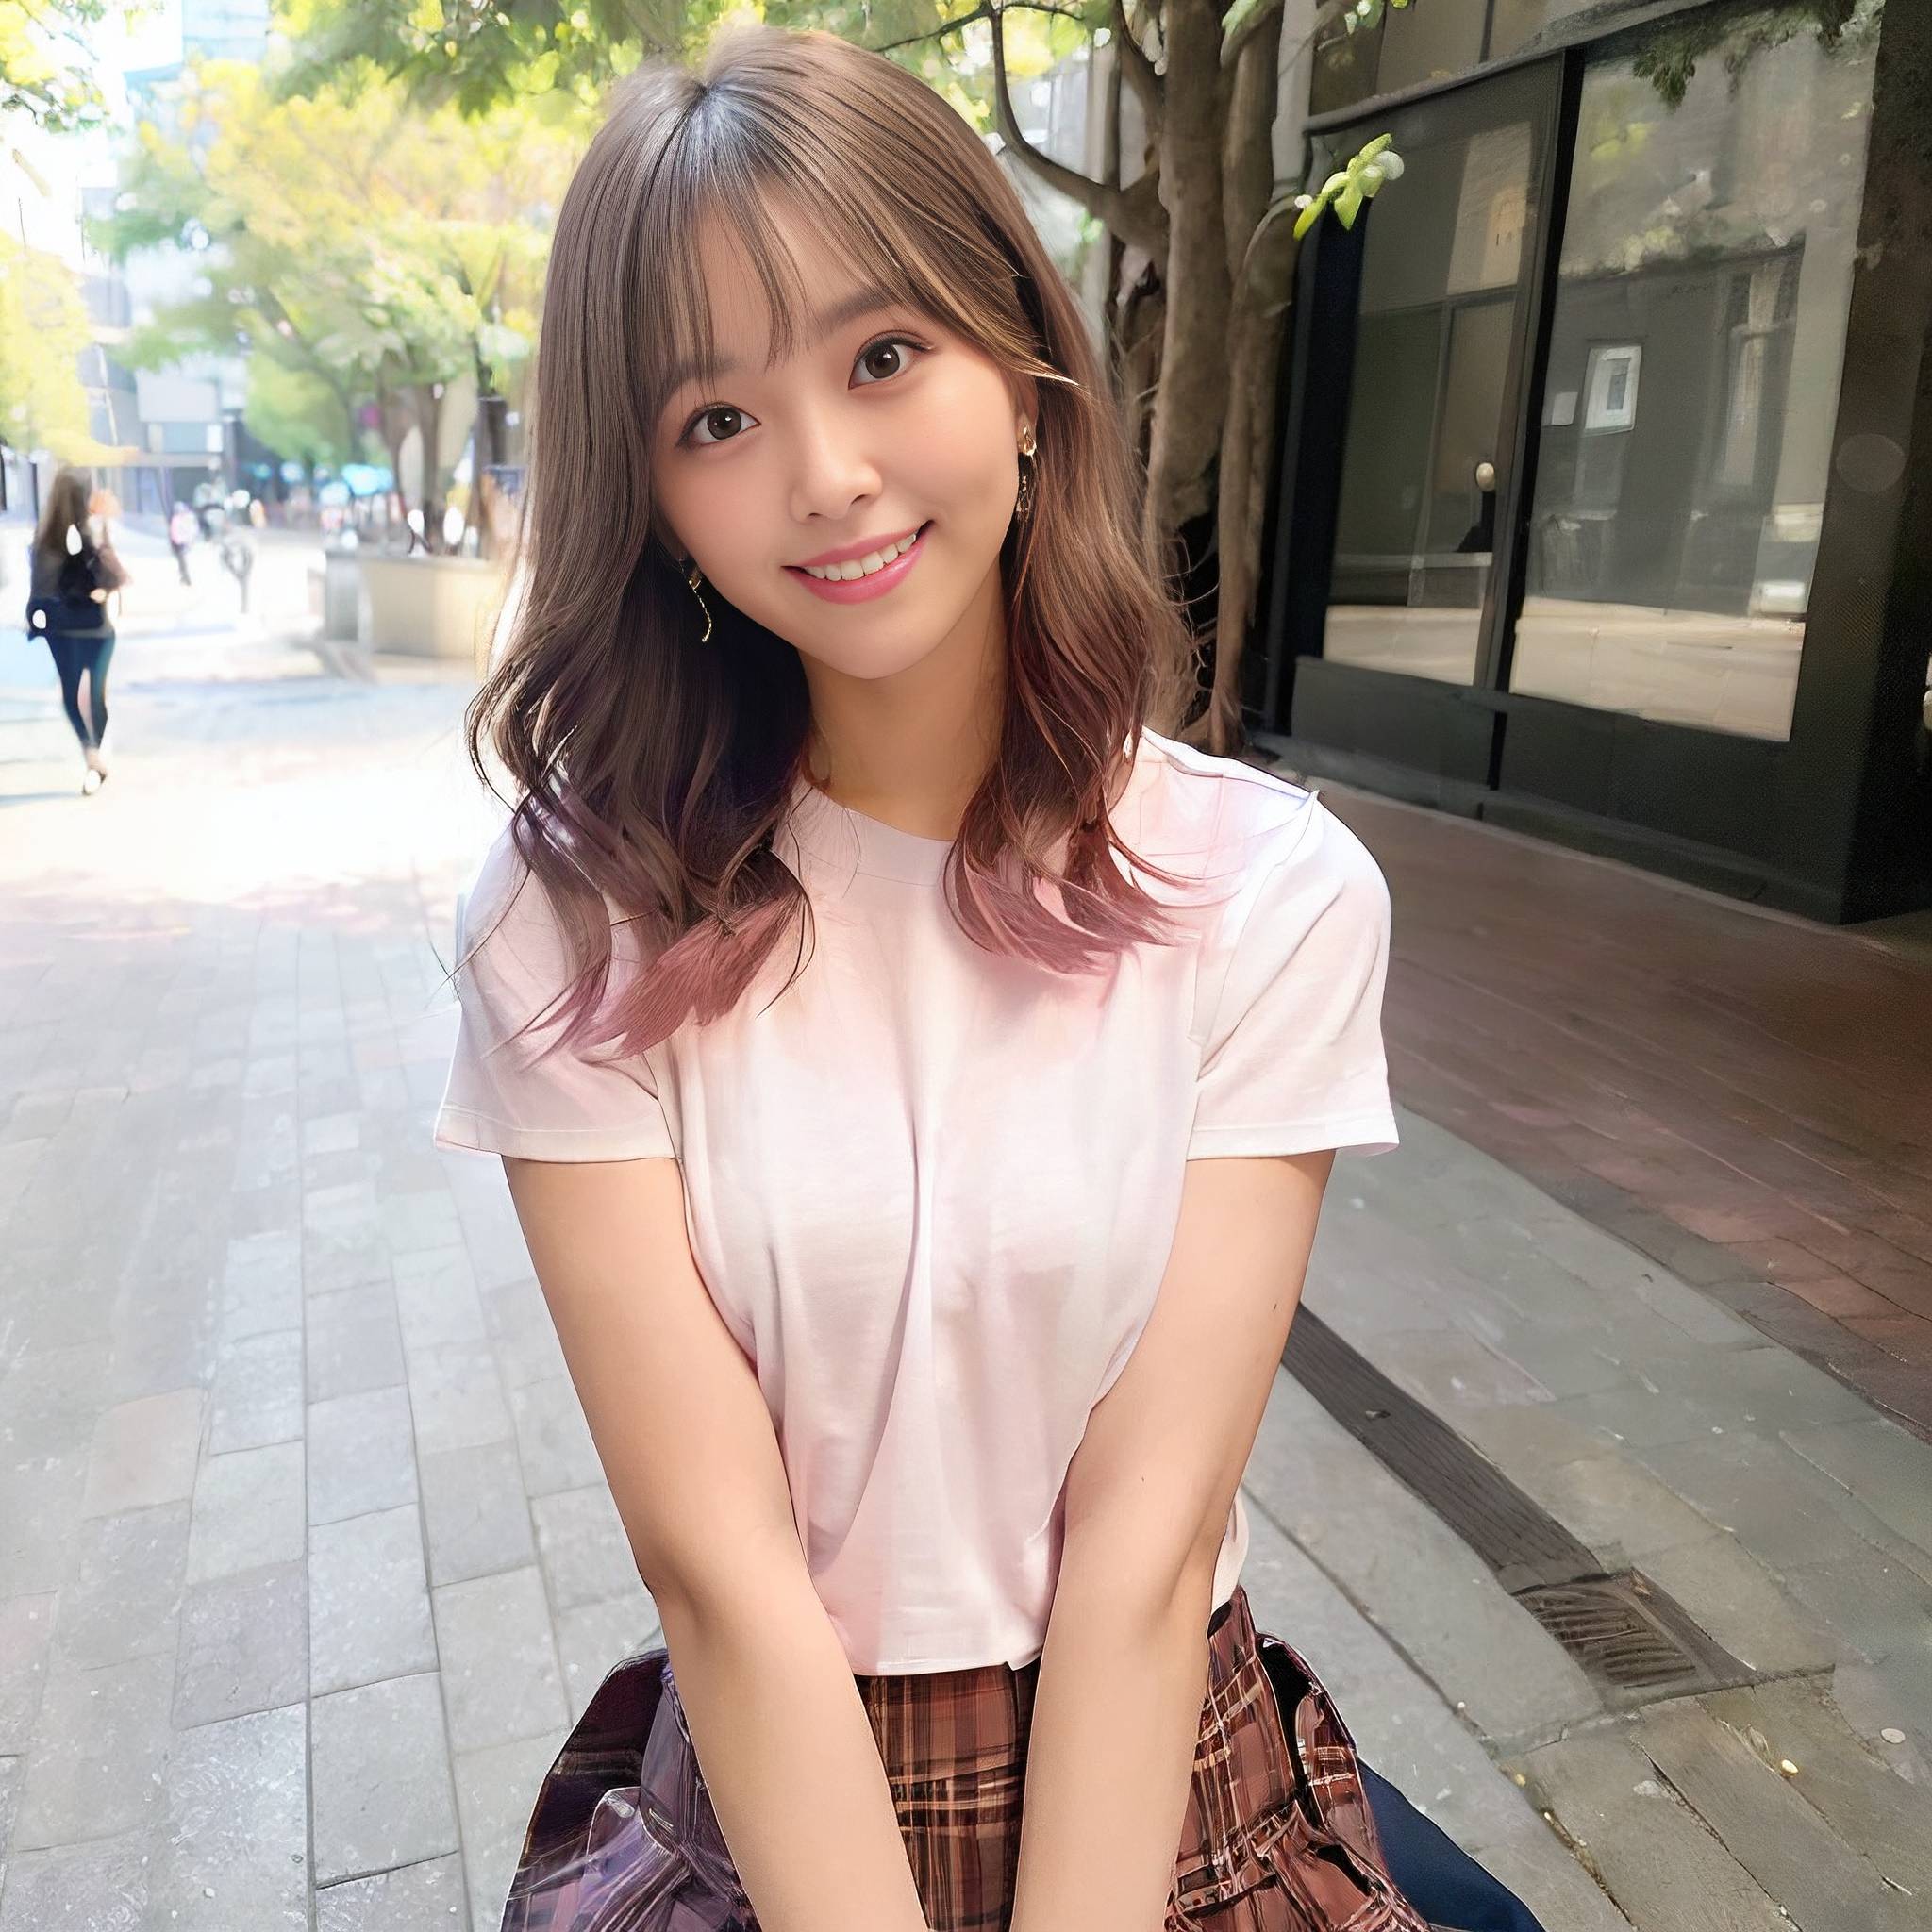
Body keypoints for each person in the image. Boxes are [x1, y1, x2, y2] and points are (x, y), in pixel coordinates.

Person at [432, 25, 1545, 1932]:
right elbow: (722, 1567)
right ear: (658, 499)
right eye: (717, 420)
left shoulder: (1266, 894)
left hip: (1160, 1787)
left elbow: (1143, 1538)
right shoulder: (572, 919)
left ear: (1021, 370)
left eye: (883, 356)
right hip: (782, 1814)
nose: (829, 478)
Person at [26, 467, 126, 796]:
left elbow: (39, 589)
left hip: (61, 629)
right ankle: (96, 755)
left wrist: (36, 617)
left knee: (71, 695)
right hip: (97, 628)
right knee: (96, 695)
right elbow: (113, 577)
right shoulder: (94, 530)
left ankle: (91, 756)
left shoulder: (45, 538)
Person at [168, 500, 196, 585]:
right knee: (182, 562)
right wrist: (178, 541)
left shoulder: (188, 518)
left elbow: (192, 530)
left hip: (184, 543)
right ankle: (185, 578)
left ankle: (185, 578)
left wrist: (189, 540)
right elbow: (174, 532)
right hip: (178, 544)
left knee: (183, 562)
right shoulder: (176, 519)